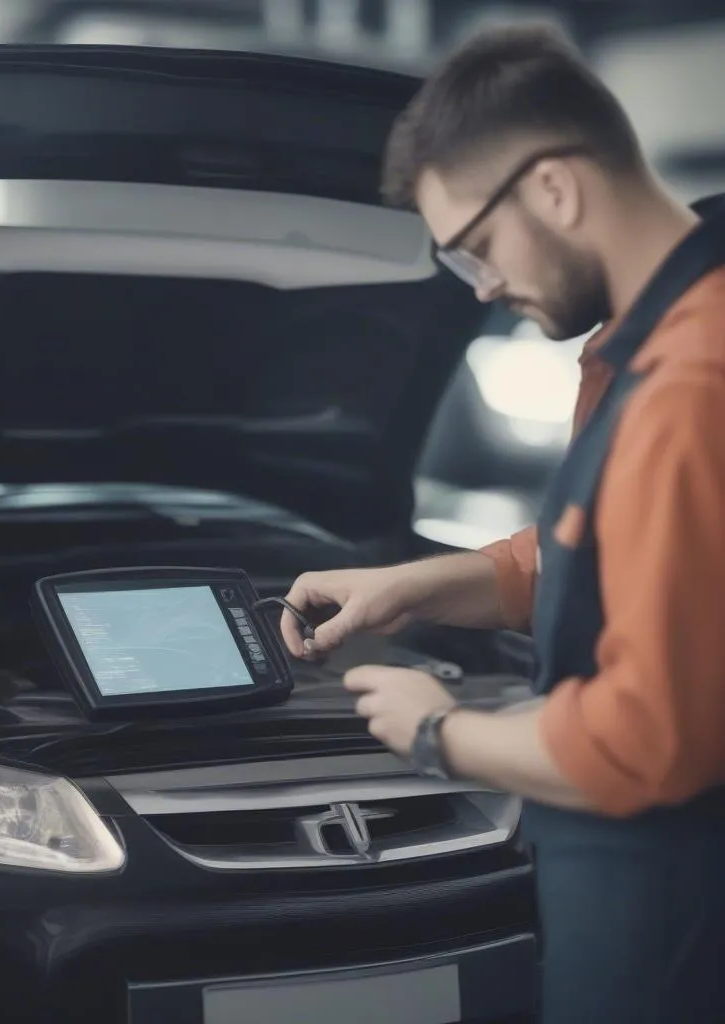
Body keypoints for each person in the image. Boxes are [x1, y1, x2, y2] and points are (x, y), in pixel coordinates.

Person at [280, 23, 725, 1024]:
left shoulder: (692, 380)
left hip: (669, 914)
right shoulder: (651, 337)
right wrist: (411, 582)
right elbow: (605, 553)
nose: (484, 287)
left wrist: (439, 732)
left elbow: (647, 740)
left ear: (554, 189)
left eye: (477, 247)